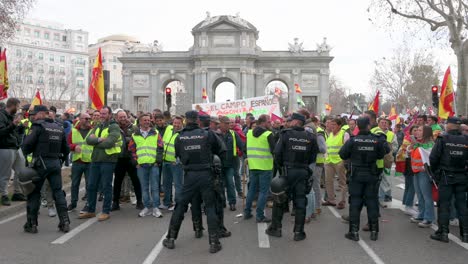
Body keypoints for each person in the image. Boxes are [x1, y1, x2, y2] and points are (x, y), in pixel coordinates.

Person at [163, 111, 226, 253]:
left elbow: (179, 154)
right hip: (206, 173)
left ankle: (171, 238)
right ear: (197, 120)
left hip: (190, 174)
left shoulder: (180, 137)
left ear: (186, 120)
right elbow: (221, 150)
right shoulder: (207, 134)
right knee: (209, 207)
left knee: (181, 204)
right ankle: (214, 242)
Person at [265, 113, 318, 241]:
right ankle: (298, 232)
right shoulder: (310, 137)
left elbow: (277, 154)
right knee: (300, 202)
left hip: (288, 172)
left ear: (295, 122)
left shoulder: (285, 134)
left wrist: (282, 167)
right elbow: (313, 157)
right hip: (302, 172)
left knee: (279, 200)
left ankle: (276, 228)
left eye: (291, 120)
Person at [22, 105, 70, 233]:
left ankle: (32, 224)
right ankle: (65, 222)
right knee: (58, 192)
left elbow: (26, 145)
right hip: (55, 163)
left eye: (35, 114)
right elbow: (66, 149)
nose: (33, 116)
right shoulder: (59, 127)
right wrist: (59, 160)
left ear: (41, 114)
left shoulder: (37, 126)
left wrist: (29, 154)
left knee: (34, 193)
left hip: (40, 164)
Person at [339, 117, 387, 241]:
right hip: (371, 175)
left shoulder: (353, 141)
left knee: (355, 202)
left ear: (357, 126)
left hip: (356, 175)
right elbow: (381, 154)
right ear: (368, 126)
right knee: (372, 202)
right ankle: (374, 231)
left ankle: (353, 232)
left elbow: (342, 154)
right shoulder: (376, 140)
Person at [79, 106, 122, 221]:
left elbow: (109, 143)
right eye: (101, 114)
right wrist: (99, 139)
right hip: (96, 160)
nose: (102, 116)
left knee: (106, 186)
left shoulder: (114, 127)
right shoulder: (98, 126)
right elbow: (88, 140)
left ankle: (106, 211)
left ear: (109, 114)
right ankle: (91, 210)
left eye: (104, 114)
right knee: (91, 185)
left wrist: (95, 140)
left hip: (108, 160)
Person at [429, 117, 468, 243]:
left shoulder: (442, 138)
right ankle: (465, 233)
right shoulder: (466, 139)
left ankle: (443, 232)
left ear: (449, 125)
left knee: (444, 205)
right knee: (462, 205)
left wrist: (436, 173)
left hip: (446, 176)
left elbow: (433, 158)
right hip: (462, 176)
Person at [128, 113, 164, 217]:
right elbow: (131, 150)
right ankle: (147, 207)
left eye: (148, 120)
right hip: (141, 166)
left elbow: (160, 148)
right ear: (140, 122)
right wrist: (136, 162)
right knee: (144, 187)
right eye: (145, 120)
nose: (147, 122)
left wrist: (158, 161)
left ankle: (156, 207)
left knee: (155, 187)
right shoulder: (135, 135)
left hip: (153, 165)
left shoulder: (155, 133)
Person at [244, 114, 276, 222]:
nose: (270, 123)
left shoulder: (249, 133)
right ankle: (259, 215)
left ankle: (247, 212)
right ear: (263, 122)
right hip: (265, 166)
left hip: (253, 166)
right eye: (269, 122)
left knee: (252, 190)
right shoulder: (268, 134)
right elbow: (274, 150)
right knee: (263, 191)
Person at [112, 110, 143, 211]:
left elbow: (140, 142)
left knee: (136, 181)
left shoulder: (134, 128)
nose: (123, 119)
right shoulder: (114, 128)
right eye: (120, 117)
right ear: (117, 118)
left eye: (124, 117)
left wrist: (128, 140)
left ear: (127, 116)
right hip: (119, 158)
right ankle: (115, 203)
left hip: (131, 159)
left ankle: (139, 201)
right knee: (117, 182)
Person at [0, 98, 26, 205]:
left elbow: (13, 132)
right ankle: (4, 195)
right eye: (18, 106)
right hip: (5, 147)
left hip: (16, 147)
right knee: (5, 173)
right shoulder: (1, 115)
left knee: (21, 171)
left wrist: (21, 127)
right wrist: (13, 125)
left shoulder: (11, 117)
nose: (19, 108)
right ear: (13, 105)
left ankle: (17, 192)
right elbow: (1, 132)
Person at [408, 125, 435, 228]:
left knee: (426, 196)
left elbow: (428, 155)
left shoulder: (430, 144)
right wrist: (411, 146)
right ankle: (421, 214)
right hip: (416, 171)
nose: (417, 132)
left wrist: (417, 145)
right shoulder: (418, 144)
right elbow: (409, 152)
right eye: (417, 130)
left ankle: (429, 218)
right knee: (420, 195)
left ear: (426, 133)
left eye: (420, 130)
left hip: (424, 172)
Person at [67, 113, 93, 211]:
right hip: (77, 161)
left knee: (89, 184)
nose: (88, 120)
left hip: (90, 161)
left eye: (89, 118)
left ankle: (89, 203)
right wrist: (73, 147)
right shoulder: (73, 131)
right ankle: (73, 203)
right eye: (86, 118)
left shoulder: (93, 130)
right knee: (74, 184)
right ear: (80, 119)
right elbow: (67, 144)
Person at [218, 115, 245, 211]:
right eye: (226, 123)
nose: (228, 125)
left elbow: (241, 145)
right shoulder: (215, 134)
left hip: (229, 164)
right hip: (218, 165)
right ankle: (221, 202)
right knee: (220, 184)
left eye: (229, 123)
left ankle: (232, 202)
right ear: (220, 123)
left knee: (230, 183)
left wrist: (246, 154)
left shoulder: (233, 134)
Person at [322, 118, 349, 209]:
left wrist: (343, 161)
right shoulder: (330, 135)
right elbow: (327, 147)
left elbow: (347, 149)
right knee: (328, 181)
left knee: (342, 182)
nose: (331, 126)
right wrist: (326, 158)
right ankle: (331, 200)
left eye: (334, 124)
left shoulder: (344, 134)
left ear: (339, 126)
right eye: (331, 124)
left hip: (339, 161)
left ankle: (342, 201)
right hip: (329, 161)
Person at [161, 116, 184, 209]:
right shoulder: (168, 129)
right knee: (166, 184)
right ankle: (167, 203)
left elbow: (184, 150)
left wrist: (178, 160)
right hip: (165, 161)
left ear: (182, 124)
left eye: (178, 123)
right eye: (175, 123)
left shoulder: (183, 134)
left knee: (178, 185)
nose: (176, 125)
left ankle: (179, 204)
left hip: (176, 163)